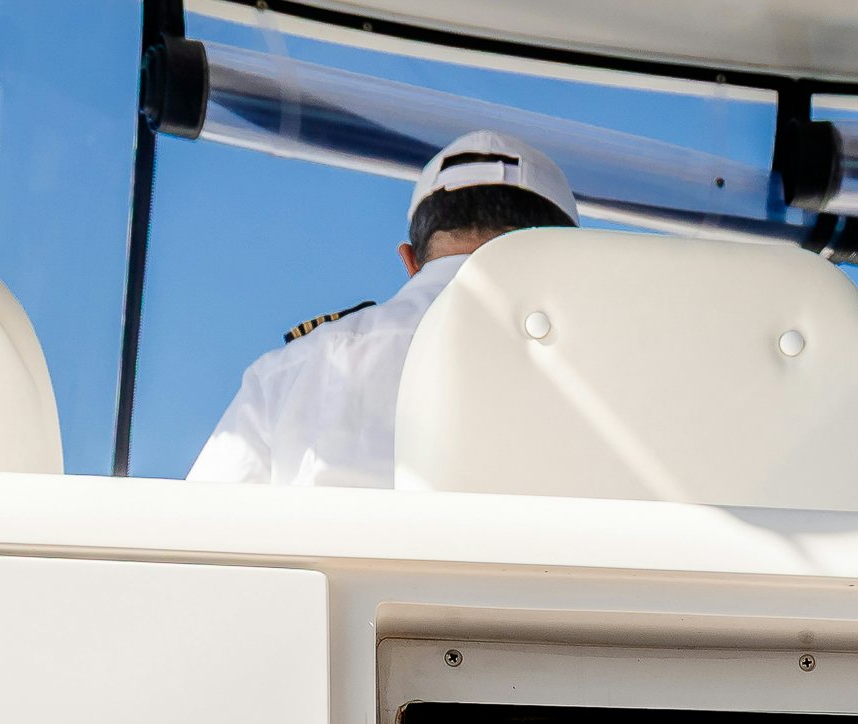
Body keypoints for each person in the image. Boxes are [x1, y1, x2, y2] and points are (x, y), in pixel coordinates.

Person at [188, 132, 575, 489]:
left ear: (409, 261)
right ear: (570, 261)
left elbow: (195, 539)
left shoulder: (289, 371)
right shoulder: (611, 365)